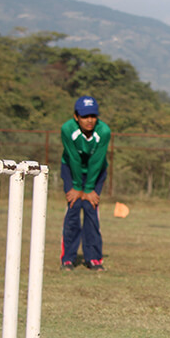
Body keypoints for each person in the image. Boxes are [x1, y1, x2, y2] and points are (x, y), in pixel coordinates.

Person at [59, 95, 110, 271]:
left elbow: (97, 159)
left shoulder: (103, 131)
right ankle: (68, 258)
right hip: (72, 170)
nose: (89, 121)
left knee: (90, 208)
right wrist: (76, 187)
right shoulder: (67, 129)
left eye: (93, 116)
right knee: (74, 207)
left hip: (95, 171)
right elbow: (72, 156)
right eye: (85, 116)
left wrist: (89, 189)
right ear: (76, 117)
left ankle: (94, 258)